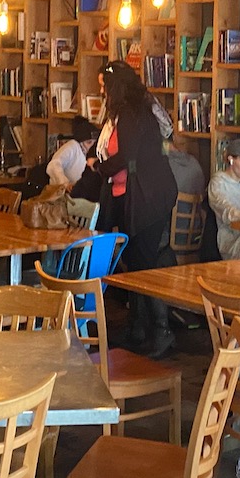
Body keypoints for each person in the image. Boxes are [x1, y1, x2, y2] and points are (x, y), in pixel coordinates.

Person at [89, 60, 177, 358]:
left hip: (146, 198)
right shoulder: (140, 109)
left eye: (103, 86)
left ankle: (160, 332)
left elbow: (127, 156)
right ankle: (139, 327)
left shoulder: (128, 113)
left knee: (144, 266)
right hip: (145, 196)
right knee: (137, 264)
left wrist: (99, 167)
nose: (101, 91)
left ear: (115, 87)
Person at [45, 116, 97, 190]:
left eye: (94, 143)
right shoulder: (72, 146)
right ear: (80, 142)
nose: (92, 146)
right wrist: (65, 184)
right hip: (61, 194)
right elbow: (53, 165)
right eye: (89, 142)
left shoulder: (95, 153)